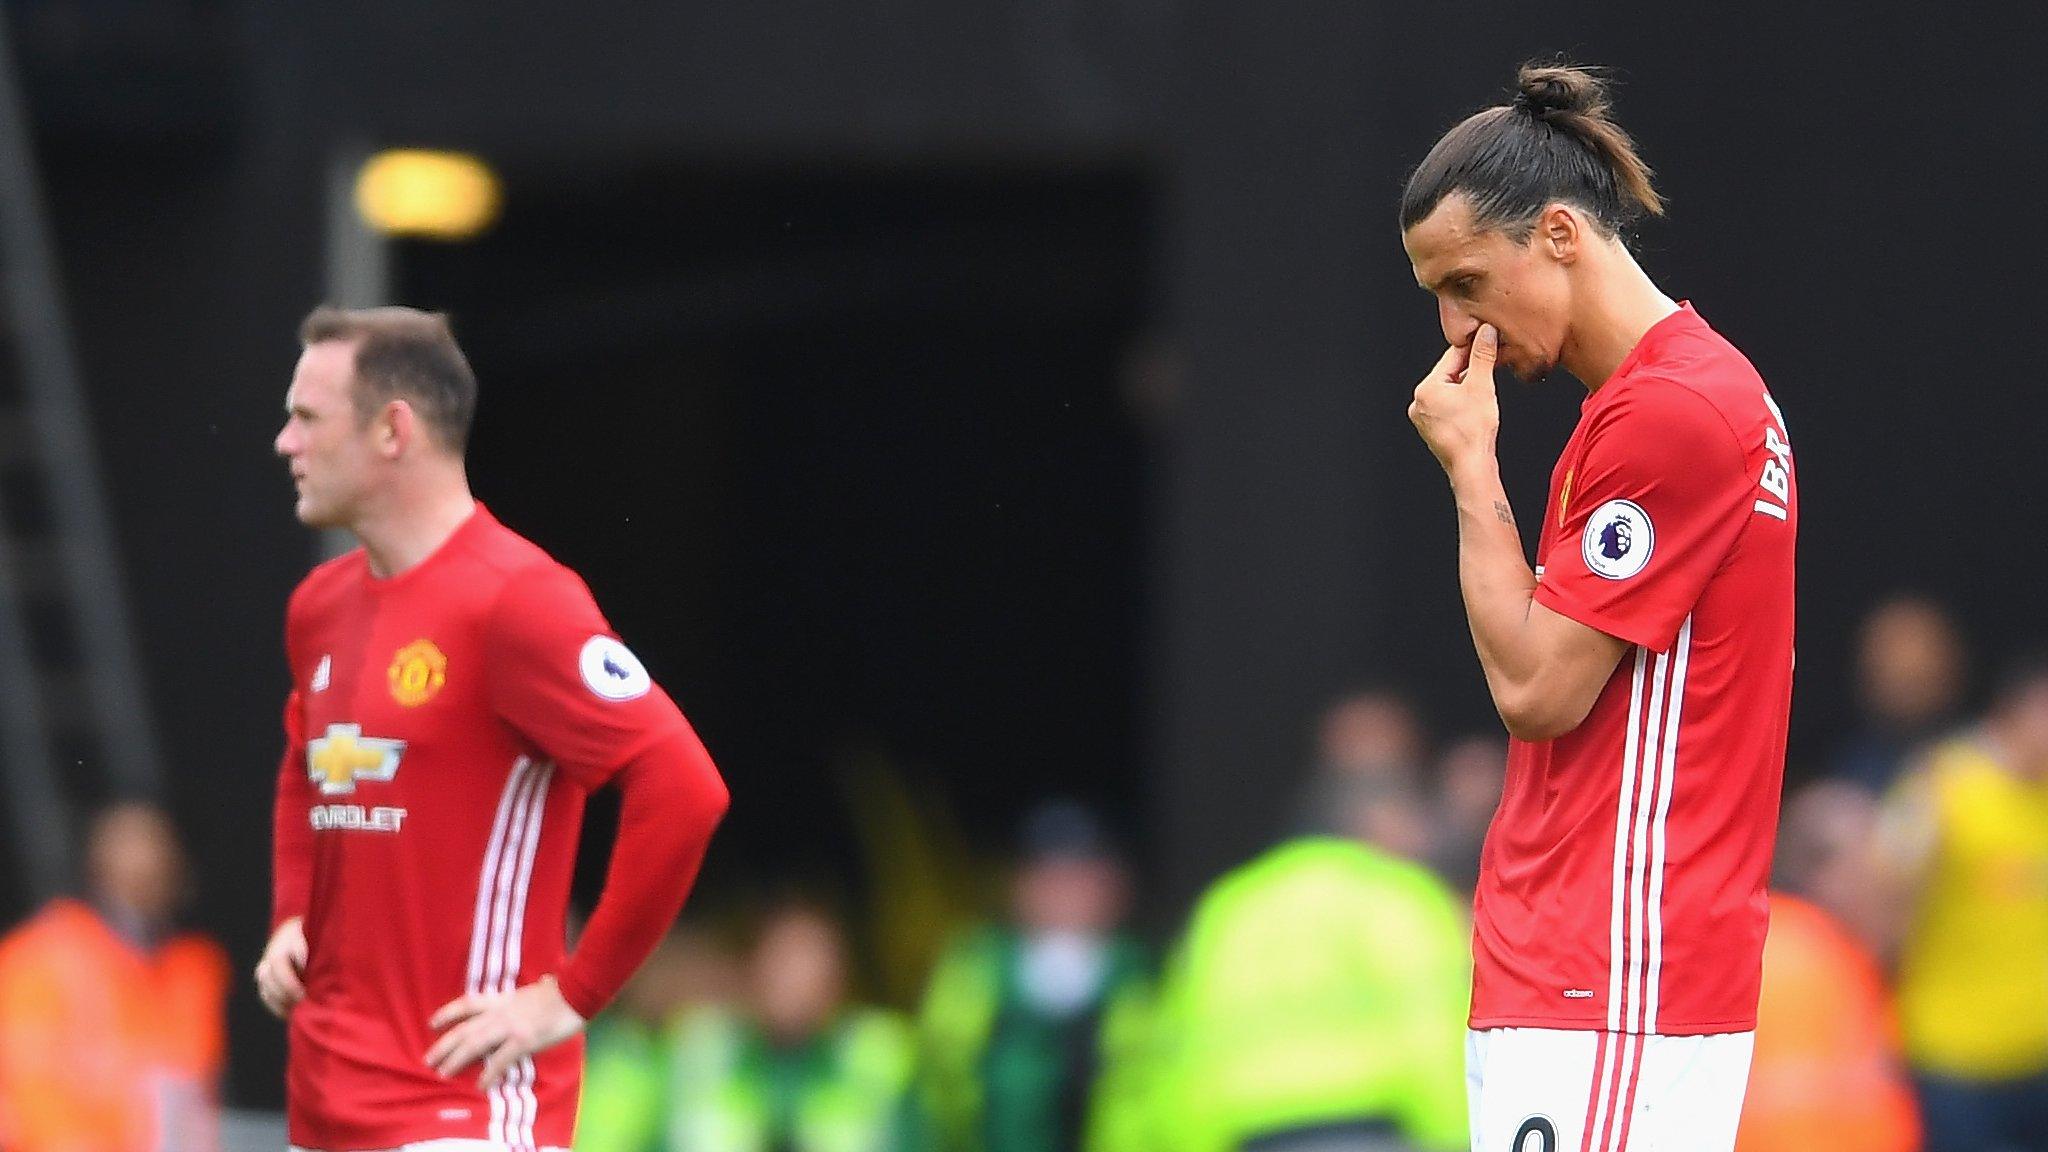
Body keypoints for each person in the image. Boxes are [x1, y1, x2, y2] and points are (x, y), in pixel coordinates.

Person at [1401, 62, 1797, 1151]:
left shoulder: (1672, 410)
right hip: (1602, 975)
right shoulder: (1670, 396)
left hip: (1611, 968)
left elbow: (1535, 689)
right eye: (1435, 293)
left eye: (1469, 282)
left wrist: (1471, 468)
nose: (1451, 325)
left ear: (1561, 236)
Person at [255, 305, 731, 1152]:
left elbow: (685, 788)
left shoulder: (518, 599)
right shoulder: (318, 609)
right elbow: (307, 764)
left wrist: (573, 996)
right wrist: (294, 914)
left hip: (462, 1111)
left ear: (393, 430)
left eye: (305, 417)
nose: (284, 443)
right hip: (322, 1105)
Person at [1150, 780, 1471, 1152]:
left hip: (1246, 1134)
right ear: (1375, 821)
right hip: (1374, 1128)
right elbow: (1433, 1026)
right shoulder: (1396, 892)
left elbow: (1177, 1048)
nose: (1423, 840)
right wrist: (1457, 1134)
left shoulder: (1226, 905)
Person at [1874, 658, 2048, 1152]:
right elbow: (1885, 883)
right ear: (2010, 715)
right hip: (1955, 1059)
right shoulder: (1943, 786)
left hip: (2038, 1052)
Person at [919, 801, 1152, 1152]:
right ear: (1018, 888)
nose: (1064, 896)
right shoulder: (977, 971)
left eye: (1079, 878)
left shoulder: (1145, 977)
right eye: (1049, 879)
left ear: (1115, 888)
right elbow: (940, 1095)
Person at [0, 801, 230, 1152]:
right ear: (96, 867)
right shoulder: (41, 956)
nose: (145, 866)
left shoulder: (193, 968)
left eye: (157, 854)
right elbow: (29, 1087)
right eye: (129, 855)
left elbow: (194, 1091)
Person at [1733, 782, 1920, 1152]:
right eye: (1875, 871)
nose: (1893, 889)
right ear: (1825, 874)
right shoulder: (1796, 961)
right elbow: (1793, 1119)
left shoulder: (1832, 953)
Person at [1830, 596, 1966, 795]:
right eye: (1886, 659)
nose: (1902, 668)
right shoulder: (1843, 773)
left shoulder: (1982, 765)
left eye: (1917, 677)